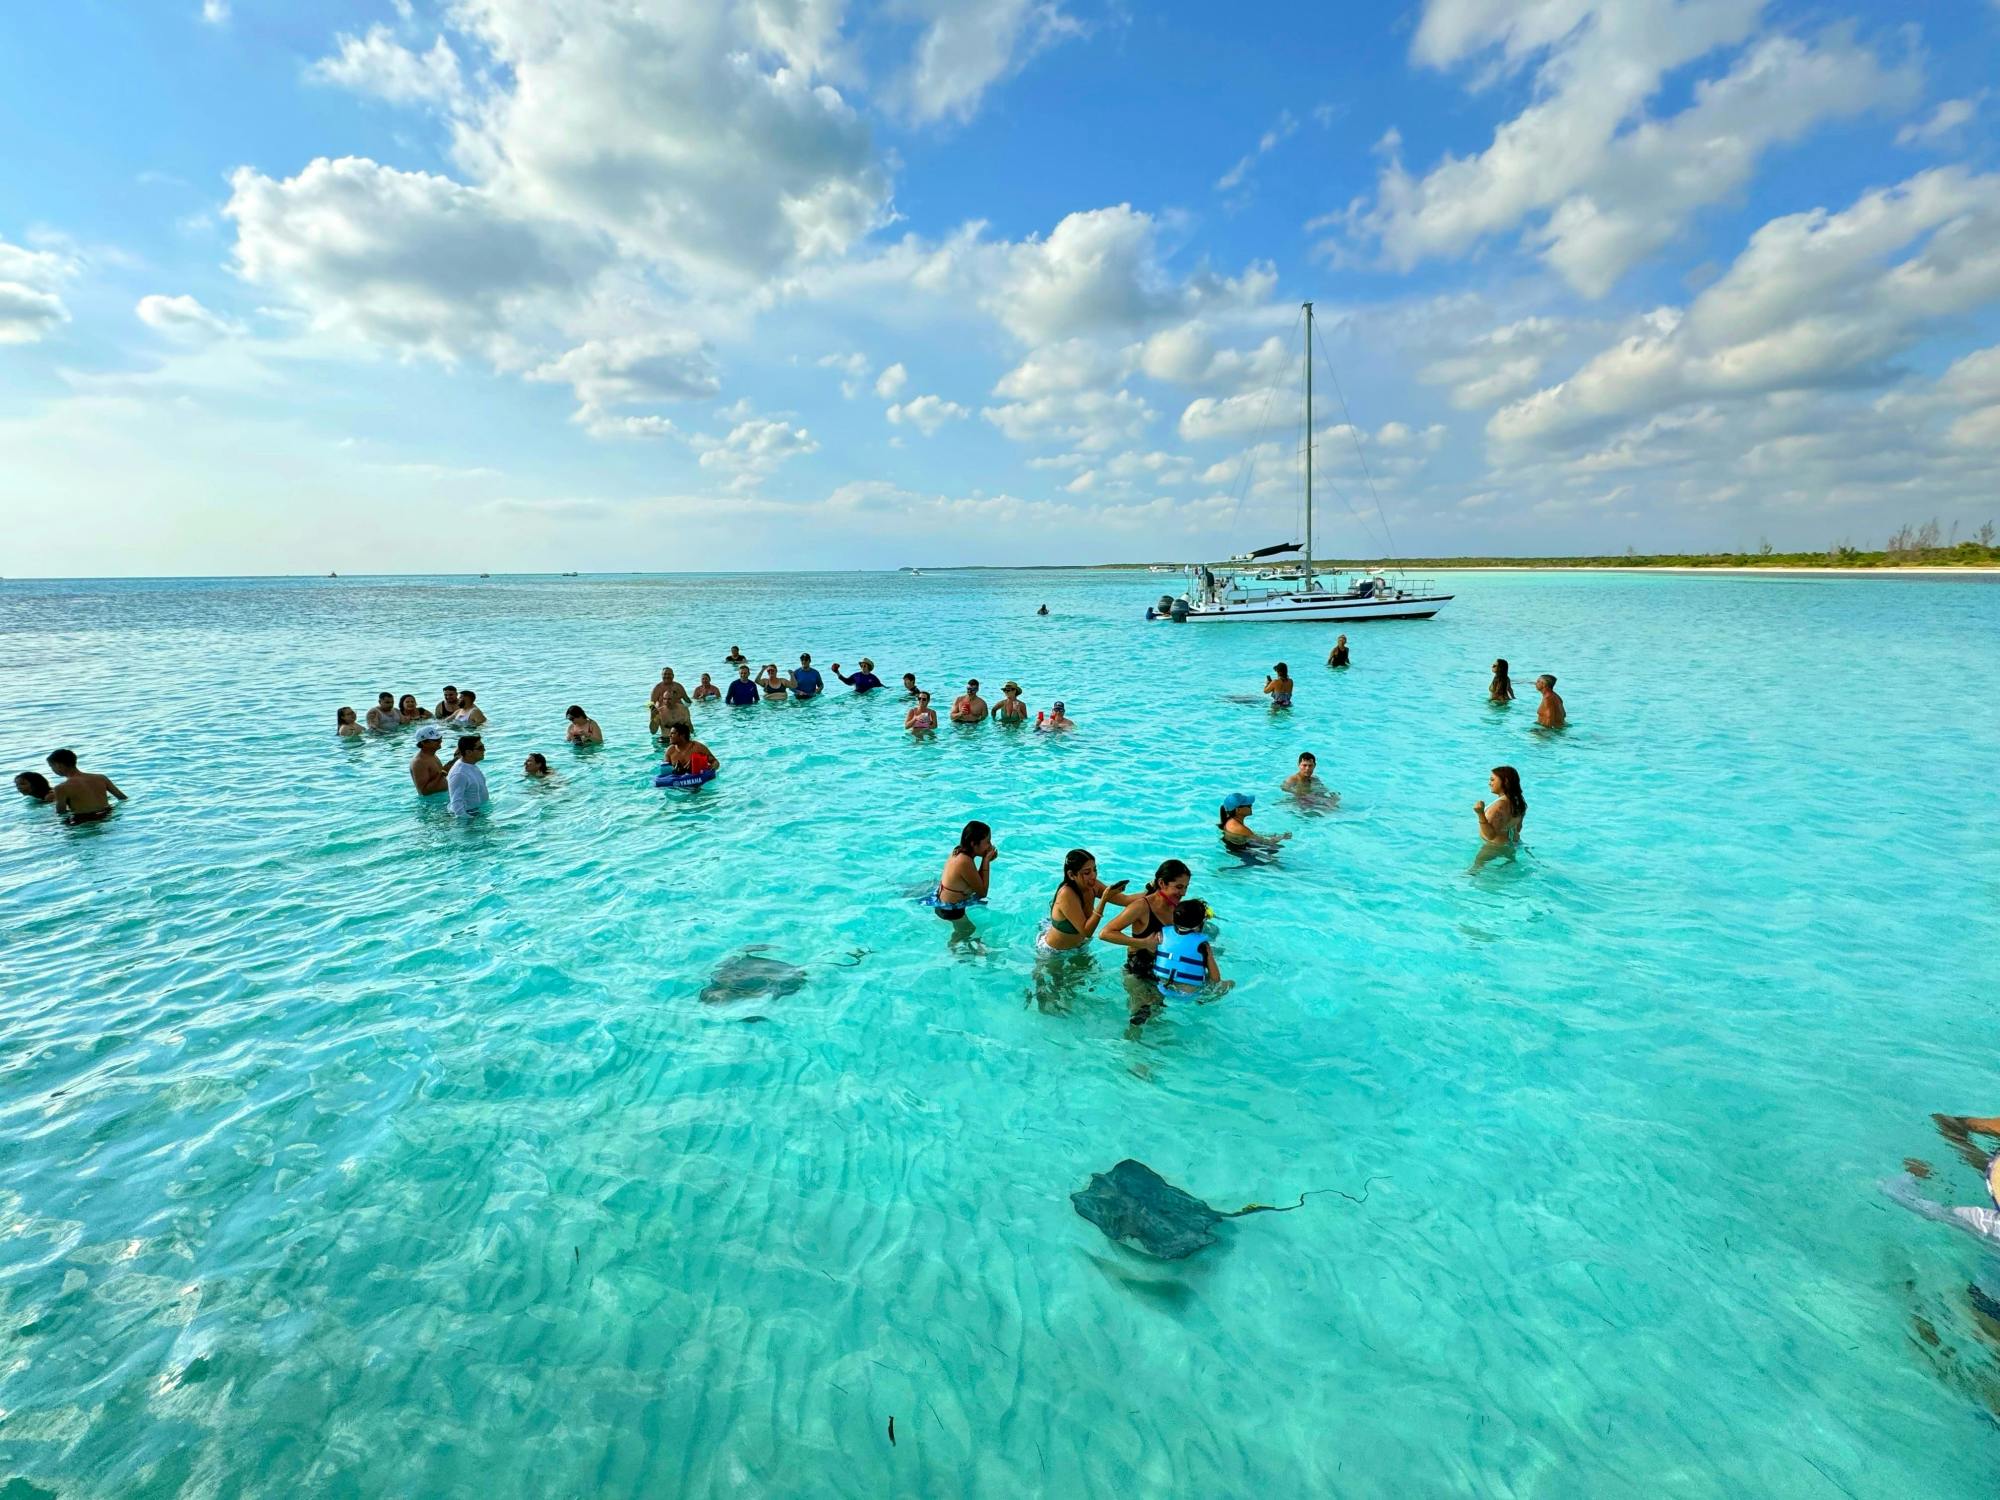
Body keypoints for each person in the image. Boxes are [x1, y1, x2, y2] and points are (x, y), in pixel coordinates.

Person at [1101, 859, 1194, 1016]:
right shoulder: (1142, 906)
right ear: (1162, 883)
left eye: (1185, 887)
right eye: (1178, 887)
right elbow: (1106, 933)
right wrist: (1143, 943)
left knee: (1158, 1012)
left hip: (1163, 970)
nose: (1183, 893)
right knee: (1141, 1015)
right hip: (1139, 971)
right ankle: (1126, 1041)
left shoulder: (1177, 907)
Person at [1042, 848, 1132, 953]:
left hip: (1080, 946)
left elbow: (1126, 900)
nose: (1093, 875)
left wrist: (1153, 889)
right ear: (1071, 875)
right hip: (1054, 952)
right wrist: (1103, 900)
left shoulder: (1093, 886)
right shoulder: (1067, 894)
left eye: (1094, 870)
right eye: (1087, 872)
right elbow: (1087, 932)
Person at [1155, 898, 1222, 996]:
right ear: (1201, 923)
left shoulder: (1161, 934)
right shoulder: (1203, 944)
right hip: (1188, 992)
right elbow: (1216, 979)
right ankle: (1204, 1001)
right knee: (1229, 984)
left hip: (1161, 986)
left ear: (1174, 918)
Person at [932, 820, 996, 923]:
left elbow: (976, 881)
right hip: (950, 910)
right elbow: (982, 892)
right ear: (973, 844)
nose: (990, 846)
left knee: (969, 937)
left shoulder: (959, 852)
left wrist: (985, 859)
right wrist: (986, 860)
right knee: (968, 934)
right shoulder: (964, 861)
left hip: (945, 904)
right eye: (987, 842)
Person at [44, 748, 127, 825]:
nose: (53, 770)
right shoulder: (101, 778)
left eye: (52, 767)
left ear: (59, 765)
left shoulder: (61, 788)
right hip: (108, 815)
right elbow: (123, 798)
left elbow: (61, 813)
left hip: (84, 820)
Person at [1474, 765, 1526, 866]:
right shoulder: (1518, 802)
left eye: (1492, 780)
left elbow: (1490, 835)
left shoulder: (1498, 807)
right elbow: (1518, 828)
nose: (1489, 783)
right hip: (1513, 844)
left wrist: (1480, 813)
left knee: (1474, 871)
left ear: (1505, 781)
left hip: (1495, 847)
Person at [1220, 792, 1289, 848]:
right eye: (1248, 805)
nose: (1251, 805)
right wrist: (1282, 837)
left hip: (1237, 846)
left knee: (1274, 848)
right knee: (1275, 847)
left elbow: (1250, 836)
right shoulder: (1239, 828)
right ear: (1238, 810)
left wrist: (1269, 836)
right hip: (1242, 852)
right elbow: (1267, 842)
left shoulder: (1231, 822)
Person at [446, 735, 488, 816]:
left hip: (477, 813)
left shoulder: (470, 765)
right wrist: (467, 822)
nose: (484, 750)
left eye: (483, 747)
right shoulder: (459, 774)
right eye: (480, 748)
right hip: (469, 816)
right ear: (468, 752)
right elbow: (456, 805)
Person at [409, 727, 450, 793]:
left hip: (440, 798)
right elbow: (424, 791)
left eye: (440, 738)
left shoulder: (432, 755)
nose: (440, 741)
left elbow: (437, 775)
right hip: (432, 802)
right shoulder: (419, 762)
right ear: (423, 743)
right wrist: (443, 772)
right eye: (436, 740)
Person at [651, 668, 692, 733]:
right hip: (664, 716)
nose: (667, 676)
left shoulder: (678, 686)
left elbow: (687, 701)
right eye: (665, 674)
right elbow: (651, 704)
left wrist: (685, 710)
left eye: (669, 674)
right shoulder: (657, 688)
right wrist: (653, 716)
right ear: (662, 675)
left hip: (678, 714)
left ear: (673, 676)